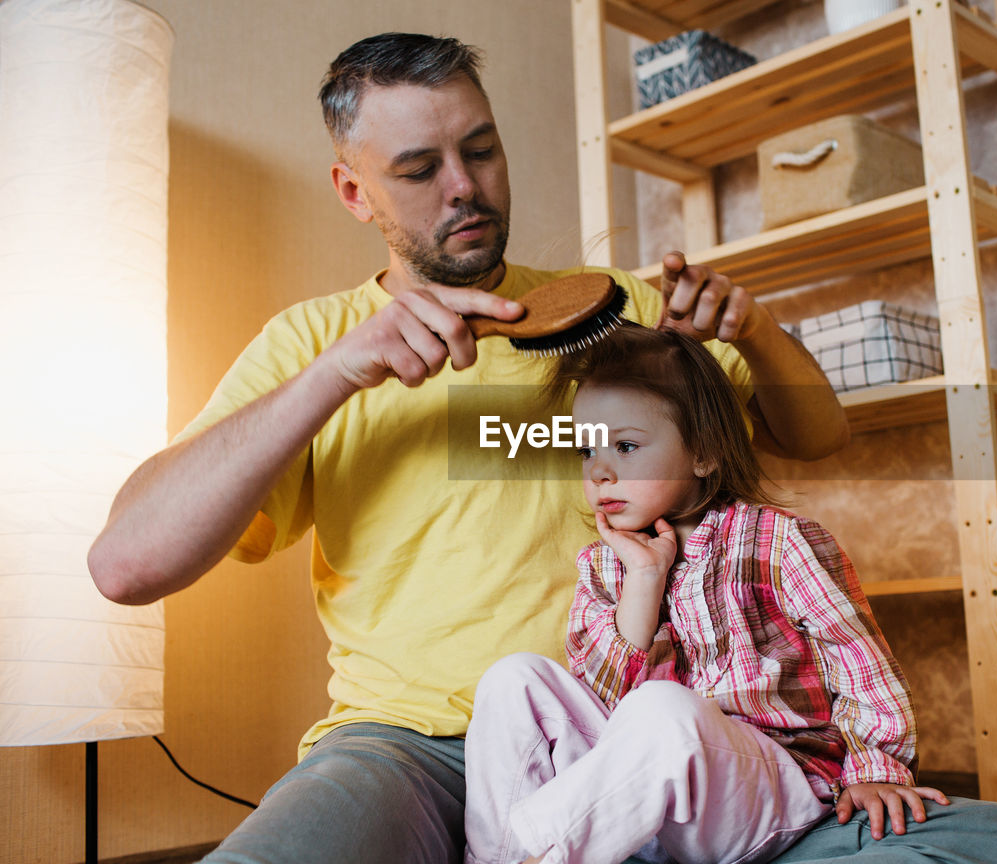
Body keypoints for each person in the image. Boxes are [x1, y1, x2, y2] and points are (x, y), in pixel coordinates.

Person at [86, 32, 848, 864]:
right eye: (419, 170)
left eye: (481, 151)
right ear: (354, 191)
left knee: (996, 842)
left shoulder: (622, 311)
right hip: (405, 749)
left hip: (626, 724)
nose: (465, 188)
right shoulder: (311, 344)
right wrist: (334, 377)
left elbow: (820, 434)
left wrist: (758, 329)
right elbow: (126, 566)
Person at [462, 325, 997, 864]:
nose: (599, 471)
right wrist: (643, 582)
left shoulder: (779, 541)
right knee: (513, 677)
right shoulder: (604, 566)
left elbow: (857, 661)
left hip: (773, 782)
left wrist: (876, 769)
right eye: (585, 449)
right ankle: (495, 856)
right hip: (646, 801)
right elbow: (603, 718)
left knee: (663, 709)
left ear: (704, 452)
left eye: (625, 447)